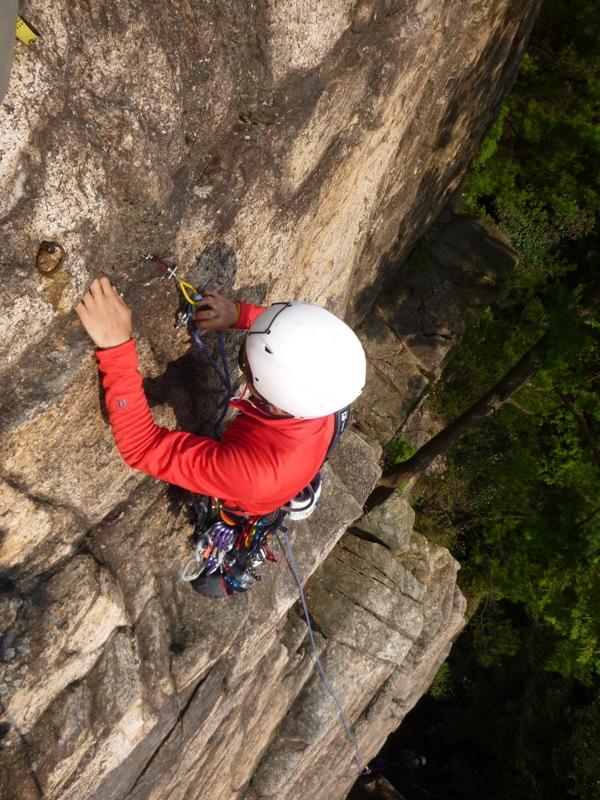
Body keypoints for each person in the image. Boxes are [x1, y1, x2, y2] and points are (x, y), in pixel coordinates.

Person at [75, 276, 366, 595]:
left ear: (264, 392)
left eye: (244, 360)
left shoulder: (251, 474)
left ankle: (227, 559)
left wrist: (116, 348)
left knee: (208, 584)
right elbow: (295, 337)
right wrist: (239, 314)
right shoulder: (333, 383)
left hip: (253, 490)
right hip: (288, 468)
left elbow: (141, 446)